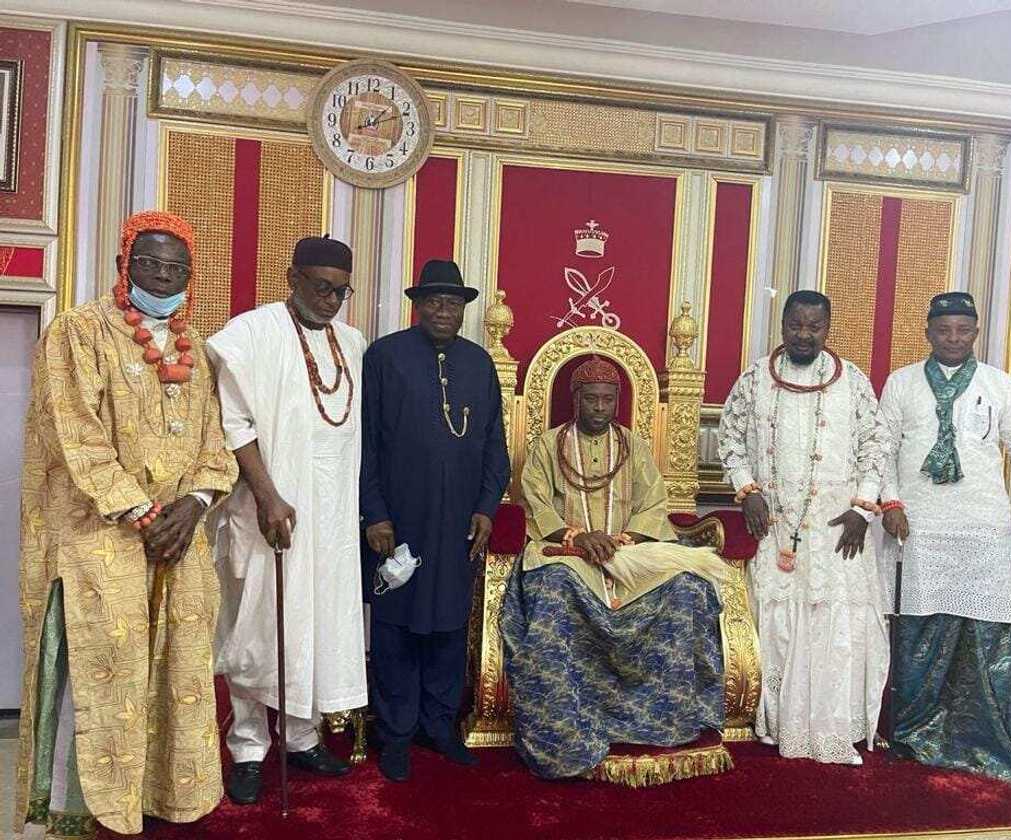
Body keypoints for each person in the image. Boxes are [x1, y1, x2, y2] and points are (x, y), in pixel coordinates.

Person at [13, 211, 238, 838]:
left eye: (176, 268)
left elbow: (216, 442)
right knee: (101, 666)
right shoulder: (78, 332)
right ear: (124, 265)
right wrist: (143, 512)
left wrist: (195, 504)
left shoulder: (199, 350)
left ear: (190, 276)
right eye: (150, 264)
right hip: (100, 537)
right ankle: (79, 812)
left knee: (176, 668)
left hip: (180, 539)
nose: (163, 276)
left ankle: (160, 800)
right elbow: (75, 436)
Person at [500, 356, 737, 780]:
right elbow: (535, 504)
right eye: (591, 398)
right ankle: (563, 724)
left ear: (617, 401)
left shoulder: (634, 446)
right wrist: (578, 538)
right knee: (552, 587)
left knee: (688, 586)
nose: (599, 407)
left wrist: (624, 541)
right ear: (575, 399)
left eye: (607, 400)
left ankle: (671, 718)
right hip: (567, 554)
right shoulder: (547, 446)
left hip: (630, 552)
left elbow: (653, 505)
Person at [876, 291, 1011, 782]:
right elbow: (881, 451)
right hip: (920, 531)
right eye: (944, 330)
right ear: (928, 332)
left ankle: (986, 738)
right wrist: (891, 502)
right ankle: (915, 735)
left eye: (964, 330)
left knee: (988, 640)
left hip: (985, 532)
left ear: (976, 332)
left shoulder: (1000, 386)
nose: (954, 339)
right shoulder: (901, 383)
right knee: (920, 634)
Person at [206, 236, 367, 805]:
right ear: (292, 278)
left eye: (341, 291)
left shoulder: (353, 343)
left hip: (333, 520)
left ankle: (302, 737)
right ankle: (249, 749)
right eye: (320, 287)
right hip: (268, 512)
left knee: (316, 623)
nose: (330, 300)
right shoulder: (251, 333)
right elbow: (234, 424)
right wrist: (268, 495)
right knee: (260, 628)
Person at [717, 290, 889, 765]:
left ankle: (832, 725)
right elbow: (730, 439)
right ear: (782, 325)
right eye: (796, 325)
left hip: (838, 527)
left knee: (832, 621)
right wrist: (748, 490)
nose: (804, 335)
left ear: (828, 329)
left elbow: (876, 446)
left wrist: (862, 509)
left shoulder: (852, 381)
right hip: (774, 524)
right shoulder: (755, 378)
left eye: (815, 327)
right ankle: (777, 723)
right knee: (777, 622)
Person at [361, 259, 510, 782]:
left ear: (464, 310)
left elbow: (495, 446)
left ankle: (439, 726)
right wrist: (374, 513)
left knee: (449, 624)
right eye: (434, 301)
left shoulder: (479, 363)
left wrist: (486, 507)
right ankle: (396, 734)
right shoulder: (385, 357)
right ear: (418, 306)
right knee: (396, 627)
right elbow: (365, 444)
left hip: (458, 526)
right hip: (399, 522)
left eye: (453, 302)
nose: (443, 310)